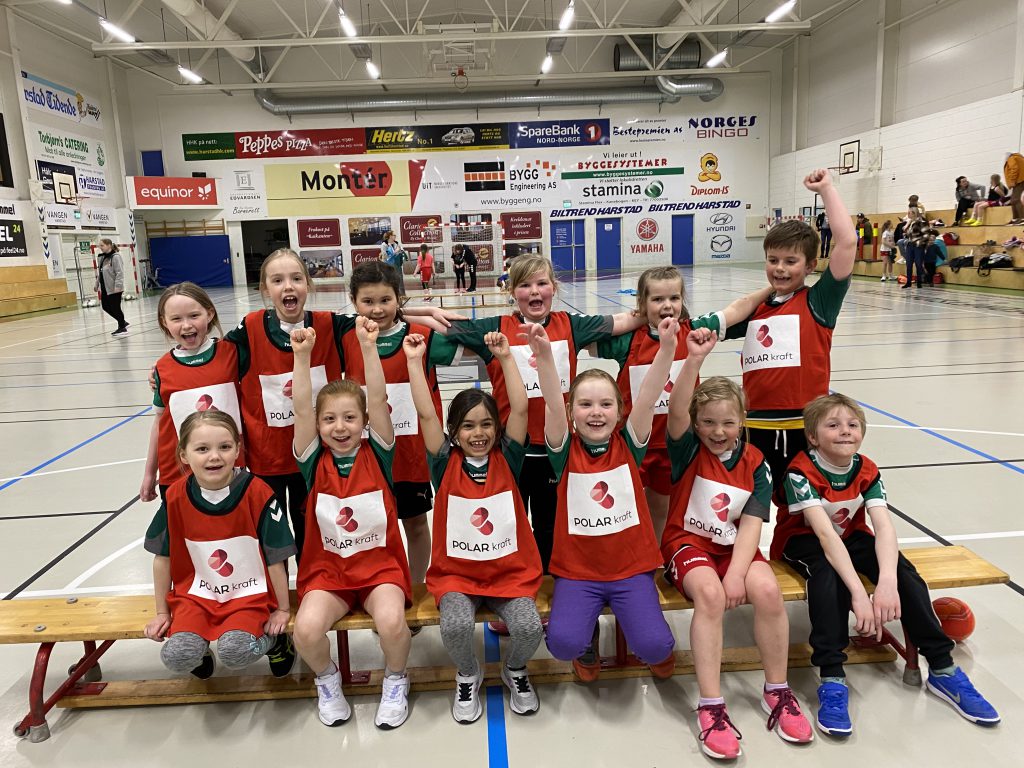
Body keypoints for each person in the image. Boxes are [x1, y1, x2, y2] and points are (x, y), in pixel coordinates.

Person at [771, 393, 1000, 735]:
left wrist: (888, 583)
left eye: (853, 425)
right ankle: (832, 677)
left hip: (852, 536)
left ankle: (943, 668)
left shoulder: (867, 469)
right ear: (813, 437)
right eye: (833, 425)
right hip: (804, 540)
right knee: (828, 578)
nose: (845, 431)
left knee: (905, 574)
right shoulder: (800, 471)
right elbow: (825, 536)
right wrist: (859, 594)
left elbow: (884, 528)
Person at [433, 255, 644, 573]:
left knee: (550, 527)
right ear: (512, 292)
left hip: (555, 453)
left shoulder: (571, 325)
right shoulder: (495, 329)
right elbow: (443, 327)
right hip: (510, 452)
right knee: (509, 524)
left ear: (554, 288)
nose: (534, 291)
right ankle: (512, 586)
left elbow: (623, 321)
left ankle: (551, 585)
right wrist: (426, 312)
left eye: (542, 283)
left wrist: (661, 313)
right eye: (525, 285)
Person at [662, 330, 812, 759]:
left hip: (733, 547)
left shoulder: (756, 463)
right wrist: (692, 360)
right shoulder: (687, 449)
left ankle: (776, 690)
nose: (718, 431)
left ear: (743, 421)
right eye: (708, 422)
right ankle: (710, 706)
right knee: (710, 595)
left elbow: (750, 527)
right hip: (687, 542)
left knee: (767, 590)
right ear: (696, 425)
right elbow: (677, 408)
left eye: (728, 422)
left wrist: (737, 574)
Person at [405, 330, 544, 723]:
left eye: (485, 424)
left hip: (510, 574)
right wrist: (414, 363)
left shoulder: (509, 457)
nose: (478, 433)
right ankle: (468, 672)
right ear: (454, 432)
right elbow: (426, 414)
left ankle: (515, 669)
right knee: (454, 626)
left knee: (529, 628)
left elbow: (520, 409)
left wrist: (506, 358)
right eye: (467, 426)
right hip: (458, 576)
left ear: (497, 428)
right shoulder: (442, 462)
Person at [690, 169, 856, 488]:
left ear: (810, 266)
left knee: (802, 505)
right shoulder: (756, 309)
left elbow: (847, 242)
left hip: (804, 425)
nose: (780, 268)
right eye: (773, 259)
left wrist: (826, 189)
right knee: (755, 501)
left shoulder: (819, 301)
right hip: (755, 426)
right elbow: (703, 327)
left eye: (790, 261)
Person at [533, 318, 677, 683]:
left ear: (619, 410)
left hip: (631, 568)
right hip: (578, 572)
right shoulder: (563, 452)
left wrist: (667, 349)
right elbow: (552, 402)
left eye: (605, 404)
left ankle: (644, 634)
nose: (596, 412)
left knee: (655, 647)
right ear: (572, 413)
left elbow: (649, 394)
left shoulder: (630, 444)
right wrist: (545, 356)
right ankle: (587, 638)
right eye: (584, 404)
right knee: (563, 643)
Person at [290, 318, 414, 730]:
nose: (339, 427)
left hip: (380, 570)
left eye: (349, 418)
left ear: (364, 422)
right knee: (306, 631)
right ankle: (327, 681)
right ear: (318, 425)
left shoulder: (378, 453)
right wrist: (302, 356)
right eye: (329, 420)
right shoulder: (312, 461)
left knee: (392, 623)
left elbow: (377, 398)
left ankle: (395, 681)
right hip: (329, 574)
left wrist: (368, 347)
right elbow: (301, 407)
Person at [597, 266, 769, 540]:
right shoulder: (629, 340)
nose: (667, 305)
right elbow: (584, 341)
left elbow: (739, 307)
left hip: (675, 445)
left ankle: (659, 553)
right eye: (657, 299)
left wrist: (772, 287)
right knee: (624, 505)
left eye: (674, 298)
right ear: (642, 303)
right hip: (633, 444)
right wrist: (631, 319)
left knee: (662, 507)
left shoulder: (695, 331)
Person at [143, 410, 296, 680]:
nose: (214, 456)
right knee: (176, 656)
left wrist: (282, 609)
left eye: (224, 447)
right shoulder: (175, 497)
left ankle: (276, 643)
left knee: (236, 653)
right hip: (196, 598)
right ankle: (198, 651)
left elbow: (276, 557)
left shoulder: (258, 492)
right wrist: (161, 612)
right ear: (184, 455)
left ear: (237, 450)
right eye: (202, 449)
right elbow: (162, 558)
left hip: (249, 596)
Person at [224, 249, 345, 562]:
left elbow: (381, 321)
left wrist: (422, 313)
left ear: (308, 285)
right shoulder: (250, 329)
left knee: (313, 532)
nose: (288, 286)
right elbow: (214, 360)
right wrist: (164, 370)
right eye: (277, 280)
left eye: (296, 278)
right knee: (271, 537)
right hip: (268, 460)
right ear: (265, 289)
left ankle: (312, 583)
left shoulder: (330, 325)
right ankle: (276, 588)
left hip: (317, 456)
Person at [337, 261, 443, 584]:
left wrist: (421, 315)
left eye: (386, 300)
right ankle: (379, 585)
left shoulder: (422, 337)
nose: (377, 309)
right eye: (367, 301)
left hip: (411, 457)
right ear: (354, 301)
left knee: (416, 524)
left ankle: (416, 585)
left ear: (399, 297)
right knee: (370, 527)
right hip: (366, 457)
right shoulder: (346, 338)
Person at [141, 283, 242, 503]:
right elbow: (159, 424)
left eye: (194, 315)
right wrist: (150, 473)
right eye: (176, 319)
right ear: (164, 322)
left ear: (210, 313)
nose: (187, 325)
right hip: (177, 474)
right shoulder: (162, 368)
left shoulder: (232, 353)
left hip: (227, 470)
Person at [94, 238, 129, 337]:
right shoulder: (102, 258)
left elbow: (119, 273)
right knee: (105, 306)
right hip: (105, 288)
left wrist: (118, 286)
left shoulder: (116, 257)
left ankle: (122, 328)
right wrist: (96, 284)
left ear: (109, 245)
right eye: (99, 246)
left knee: (115, 307)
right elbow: (100, 273)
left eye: (102, 245)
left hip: (114, 288)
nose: (100, 247)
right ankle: (122, 322)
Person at [902, 210, 930, 289]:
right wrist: (907, 233)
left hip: (918, 246)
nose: (908, 214)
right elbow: (908, 233)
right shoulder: (910, 222)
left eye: (909, 213)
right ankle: (908, 282)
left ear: (915, 214)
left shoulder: (922, 222)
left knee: (918, 264)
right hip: (910, 245)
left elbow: (926, 235)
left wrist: (919, 242)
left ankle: (919, 282)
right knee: (909, 264)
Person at [380, 231, 408, 296]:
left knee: (400, 279)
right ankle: (390, 295)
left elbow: (401, 250)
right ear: (390, 236)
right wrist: (395, 252)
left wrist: (401, 251)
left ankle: (402, 295)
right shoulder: (384, 245)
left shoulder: (396, 243)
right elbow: (385, 256)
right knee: (389, 280)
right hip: (388, 265)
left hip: (397, 264)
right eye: (393, 235)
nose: (395, 236)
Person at [1003, 152, 1024, 225]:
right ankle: (1015, 219)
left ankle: (1022, 218)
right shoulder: (1018, 158)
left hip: (1019, 181)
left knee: (1016, 200)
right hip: (1020, 181)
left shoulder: (1011, 158)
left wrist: (1012, 181)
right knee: (1013, 200)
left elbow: (1014, 169)